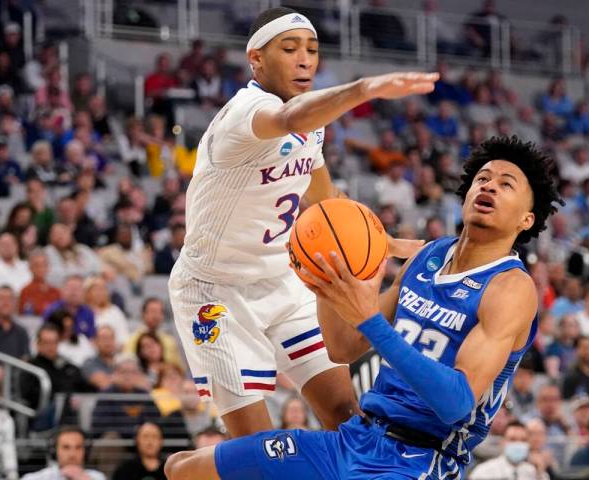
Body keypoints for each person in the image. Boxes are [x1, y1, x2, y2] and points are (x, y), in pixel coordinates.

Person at [164, 135, 563, 479]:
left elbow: (456, 403)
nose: (488, 187)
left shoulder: (511, 288)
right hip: (357, 439)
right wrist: (324, 282)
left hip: (419, 460)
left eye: (505, 184)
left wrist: (371, 318)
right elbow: (343, 347)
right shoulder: (429, 257)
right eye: (482, 179)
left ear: (527, 218)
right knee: (183, 468)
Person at [167, 6, 436, 439]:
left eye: (312, 49)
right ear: (256, 58)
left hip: (284, 280)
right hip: (215, 290)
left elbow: (327, 201)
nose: (304, 58)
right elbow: (290, 118)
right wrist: (365, 88)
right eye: (289, 48)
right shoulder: (248, 111)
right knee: (260, 449)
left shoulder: (313, 128)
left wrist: (390, 244)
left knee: (348, 416)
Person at [468, 421, 548, 480]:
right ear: (502, 442)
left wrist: (540, 474)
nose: (518, 444)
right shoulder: (483, 472)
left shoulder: (535, 473)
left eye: (523, 440)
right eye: (512, 439)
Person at [21, 426, 106, 480]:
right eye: (66, 447)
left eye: (78, 447)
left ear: (85, 451)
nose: (72, 454)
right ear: (54, 450)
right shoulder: (35, 478)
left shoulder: (97, 477)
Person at [18, 249, 61, 316]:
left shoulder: (56, 291)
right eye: (36, 265)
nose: (40, 268)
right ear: (30, 268)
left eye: (44, 265)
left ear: (48, 267)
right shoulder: (25, 291)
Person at [0, 285, 30, 360]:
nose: (5, 303)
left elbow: (26, 359)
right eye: (1, 299)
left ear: (15, 303)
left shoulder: (21, 332)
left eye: (9, 299)